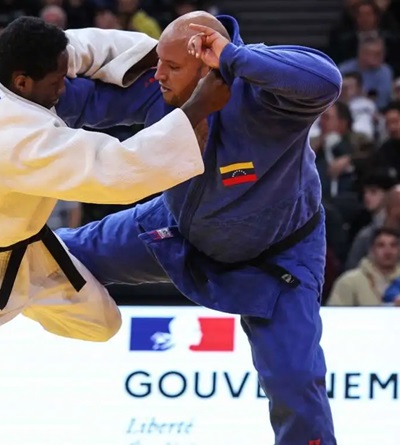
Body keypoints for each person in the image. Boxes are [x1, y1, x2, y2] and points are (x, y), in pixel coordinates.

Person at [0, 16, 229, 445]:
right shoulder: (13, 137)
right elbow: (113, 169)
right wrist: (196, 108)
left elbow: (81, 47)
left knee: (103, 324)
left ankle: (19, 300)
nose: (65, 86)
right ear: (22, 81)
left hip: (19, 250)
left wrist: (162, 55)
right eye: (56, 81)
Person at [56, 12, 342, 445]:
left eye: (172, 66)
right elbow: (80, 100)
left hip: (278, 257)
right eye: (160, 62)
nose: (159, 74)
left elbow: (326, 79)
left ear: (208, 65)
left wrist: (233, 58)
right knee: (52, 255)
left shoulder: (268, 96)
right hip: (176, 228)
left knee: (295, 380)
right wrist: (16, 89)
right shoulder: (161, 85)